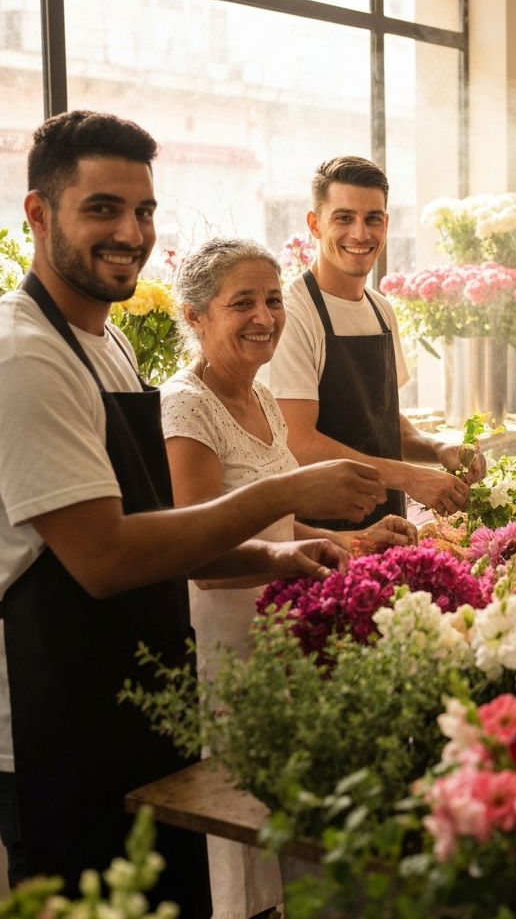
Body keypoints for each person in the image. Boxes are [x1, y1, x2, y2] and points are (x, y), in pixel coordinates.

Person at [0, 111, 386, 909]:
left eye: (142, 211)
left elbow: (159, 531)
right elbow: (104, 560)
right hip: (52, 717)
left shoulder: (104, 341)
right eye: (101, 208)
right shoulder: (25, 357)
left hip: (132, 687)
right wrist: (283, 494)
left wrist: (280, 556)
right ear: (38, 214)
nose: (130, 232)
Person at [162, 237, 417, 919]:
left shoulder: (264, 399)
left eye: (272, 300)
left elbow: (275, 523)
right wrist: (296, 558)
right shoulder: (185, 408)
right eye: (240, 302)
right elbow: (202, 553)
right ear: (194, 317)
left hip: (279, 632)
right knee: (235, 820)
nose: (264, 317)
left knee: (275, 814)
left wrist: (347, 541)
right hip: (225, 643)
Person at [265, 156, 485, 529]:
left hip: (387, 520)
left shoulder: (381, 309)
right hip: (324, 531)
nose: (361, 234)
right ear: (314, 225)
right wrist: (410, 477)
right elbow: (298, 443)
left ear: (387, 223)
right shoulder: (294, 312)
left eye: (373, 218)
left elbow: (381, 421)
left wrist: (437, 449)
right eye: (344, 218)